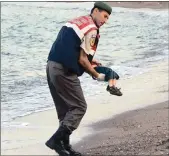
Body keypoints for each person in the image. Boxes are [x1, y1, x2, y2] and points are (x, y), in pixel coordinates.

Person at [45, 2, 112, 156]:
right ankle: (55, 140)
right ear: (96, 11)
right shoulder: (92, 29)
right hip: (64, 71)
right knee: (79, 107)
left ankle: (65, 147)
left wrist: (91, 62)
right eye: (105, 16)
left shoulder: (78, 21)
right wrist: (98, 76)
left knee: (65, 110)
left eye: (108, 18)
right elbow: (82, 60)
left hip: (51, 66)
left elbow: (71, 47)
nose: (105, 21)